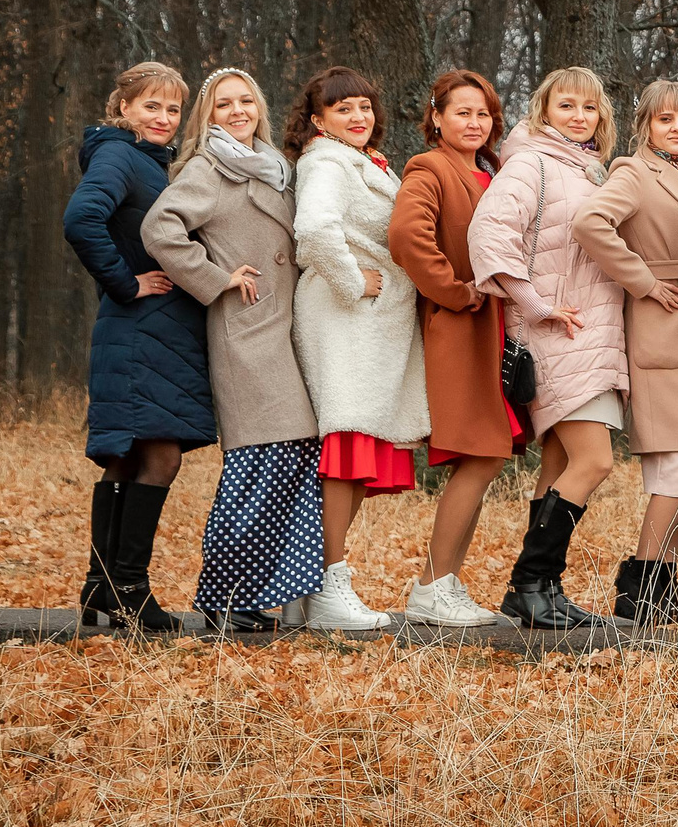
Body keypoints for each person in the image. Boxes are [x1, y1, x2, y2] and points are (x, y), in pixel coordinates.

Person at [142, 69, 319, 632]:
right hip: (246, 332)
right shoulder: (209, 168)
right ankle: (223, 597)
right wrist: (215, 277)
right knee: (257, 461)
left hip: (285, 329)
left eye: (246, 100)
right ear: (209, 115)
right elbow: (160, 227)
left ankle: (260, 593)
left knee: (288, 456)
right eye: (224, 104)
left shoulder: (273, 167)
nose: (238, 110)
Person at [469, 67, 628, 630]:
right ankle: (529, 583)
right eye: (566, 107)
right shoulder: (531, 163)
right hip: (558, 334)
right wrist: (534, 304)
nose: (579, 117)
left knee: (560, 461)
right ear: (543, 112)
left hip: (589, 334)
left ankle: (541, 591)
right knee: (595, 460)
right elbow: (489, 235)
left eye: (589, 108)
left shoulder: (587, 168)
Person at [573, 79, 678, 627]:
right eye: (666, 120)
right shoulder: (635, 172)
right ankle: (642, 582)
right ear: (645, 126)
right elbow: (589, 223)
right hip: (663, 321)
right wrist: (642, 281)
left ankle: (660, 581)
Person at [64, 61, 208, 630]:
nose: (164, 119)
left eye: (174, 109)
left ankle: (102, 584)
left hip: (149, 331)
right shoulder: (119, 155)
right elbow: (82, 220)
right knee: (160, 456)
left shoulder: (147, 163)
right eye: (152, 106)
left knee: (127, 455)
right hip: (138, 326)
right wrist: (126, 281)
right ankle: (129, 586)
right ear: (123, 107)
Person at [288, 66, 431, 631]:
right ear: (318, 119)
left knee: (353, 451)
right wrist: (354, 281)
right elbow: (316, 230)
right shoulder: (326, 161)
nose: (358, 117)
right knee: (345, 451)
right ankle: (327, 585)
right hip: (344, 318)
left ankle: (313, 584)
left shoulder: (364, 161)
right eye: (343, 108)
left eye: (364, 106)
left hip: (368, 325)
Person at [387, 70, 518, 629]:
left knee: (486, 457)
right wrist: (456, 292)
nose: (474, 122)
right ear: (436, 117)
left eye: (483, 114)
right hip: (458, 328)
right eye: (462, 112)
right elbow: (406, 238)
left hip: (493, 329)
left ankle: (442, 583)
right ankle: (433, 584)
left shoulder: (489, 174)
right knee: (482, 454)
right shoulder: (430, 167)